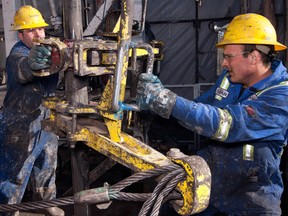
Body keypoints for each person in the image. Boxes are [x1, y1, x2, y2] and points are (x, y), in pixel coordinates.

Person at [136, 13, 288, 215]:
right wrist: (153, 110)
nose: (224, 63)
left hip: (250, 199)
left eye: (228, 57)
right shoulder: (230, 79)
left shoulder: (281, 96)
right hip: (209, 185)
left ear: (254, 57)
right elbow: (199, 110)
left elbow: (227, 124)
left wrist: (166, 101)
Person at [0, 5, 64, 216]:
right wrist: (32, 64)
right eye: (31, 30)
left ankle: (46, 204)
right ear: (21, 35)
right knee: (16, 174)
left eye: (40, 29)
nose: (38, 34)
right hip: (20, 123)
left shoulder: (48, 51)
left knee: (46, 165)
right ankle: (9, 209)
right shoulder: (17, 55)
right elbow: (22, 71)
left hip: (45, 118)